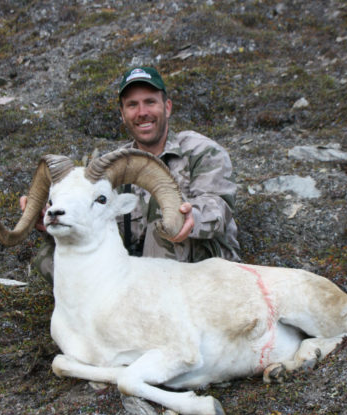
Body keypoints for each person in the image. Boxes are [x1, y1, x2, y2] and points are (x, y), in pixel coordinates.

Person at [22, 66, 240, 283]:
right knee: (49, 255)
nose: (142, 112)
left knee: (165, 225)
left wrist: (193, 218)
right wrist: (52, 215)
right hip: (135, 270)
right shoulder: (114, 166)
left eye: (150, 102)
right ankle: (101, 308)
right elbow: (91, 219)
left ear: (167, 107)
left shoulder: (202, 151)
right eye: (132, 105)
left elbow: (219, 205)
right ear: (123, 114)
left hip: (202, 270)